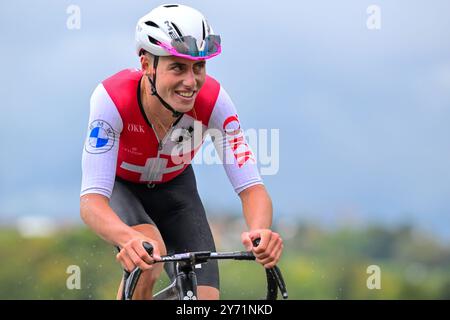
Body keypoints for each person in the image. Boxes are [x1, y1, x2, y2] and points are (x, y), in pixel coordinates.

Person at [80, 3, 283, 300]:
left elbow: (252, 188)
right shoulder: (112, 99)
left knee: (205, 300)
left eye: (198, 67)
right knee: (149, 257)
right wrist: (127, 238)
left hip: (176, 190)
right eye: (178, 67)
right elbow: (91, 204)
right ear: (147, 64)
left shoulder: (215, 102)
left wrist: (260, 231)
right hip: (123, 187)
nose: (191, 82)